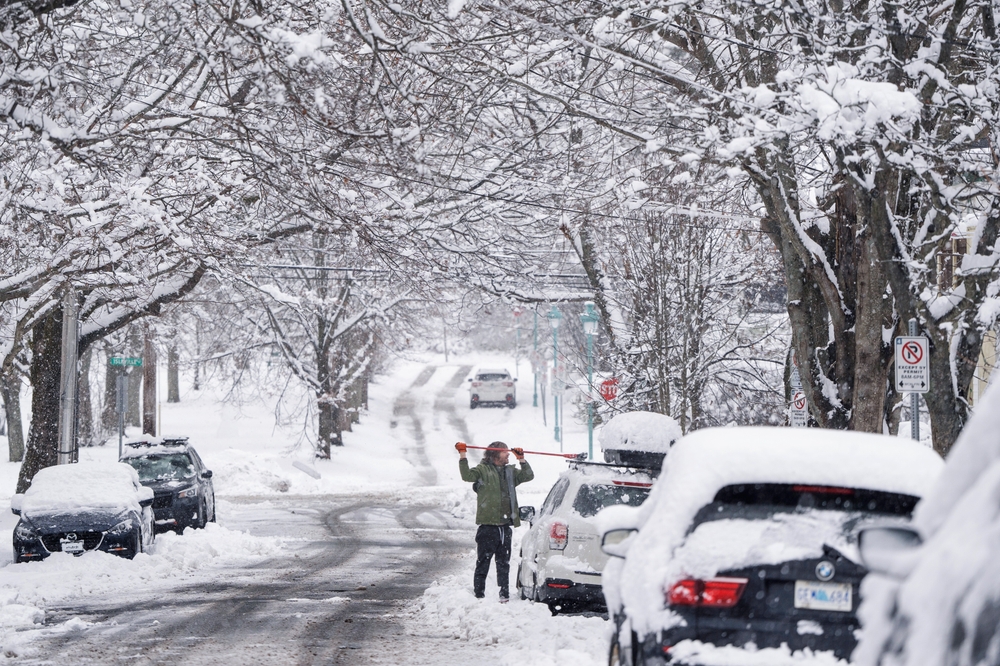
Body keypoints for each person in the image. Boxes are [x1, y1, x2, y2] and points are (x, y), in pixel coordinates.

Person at [456, 440, 534, 601]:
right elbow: (467, 476)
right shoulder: (483, 470)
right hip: (487, 527)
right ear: (495, 454)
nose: (508, 454)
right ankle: (479, 595)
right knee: (483, 562)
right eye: (505, 451)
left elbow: (528, 475)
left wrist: (522, 459)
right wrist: (463, 454)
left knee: (503, 563)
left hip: (505, 527)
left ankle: (504, 594)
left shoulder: (510, 472)